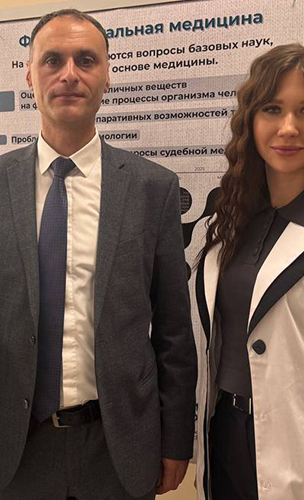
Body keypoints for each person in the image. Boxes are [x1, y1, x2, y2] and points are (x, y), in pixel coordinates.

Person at [0, 9, 197, 500]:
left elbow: (173, 332)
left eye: (85, 60)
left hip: (121, 445)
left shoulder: (153, 188)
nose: (68, 74)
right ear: (29, 76)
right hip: (18, 447)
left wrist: (175, 439)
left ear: (107, 75)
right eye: (52, 60)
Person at [195, 43, 304, 500]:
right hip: (225, 437)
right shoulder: (230, 219)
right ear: (250, 121)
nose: (289, 127)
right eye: (272, 109)